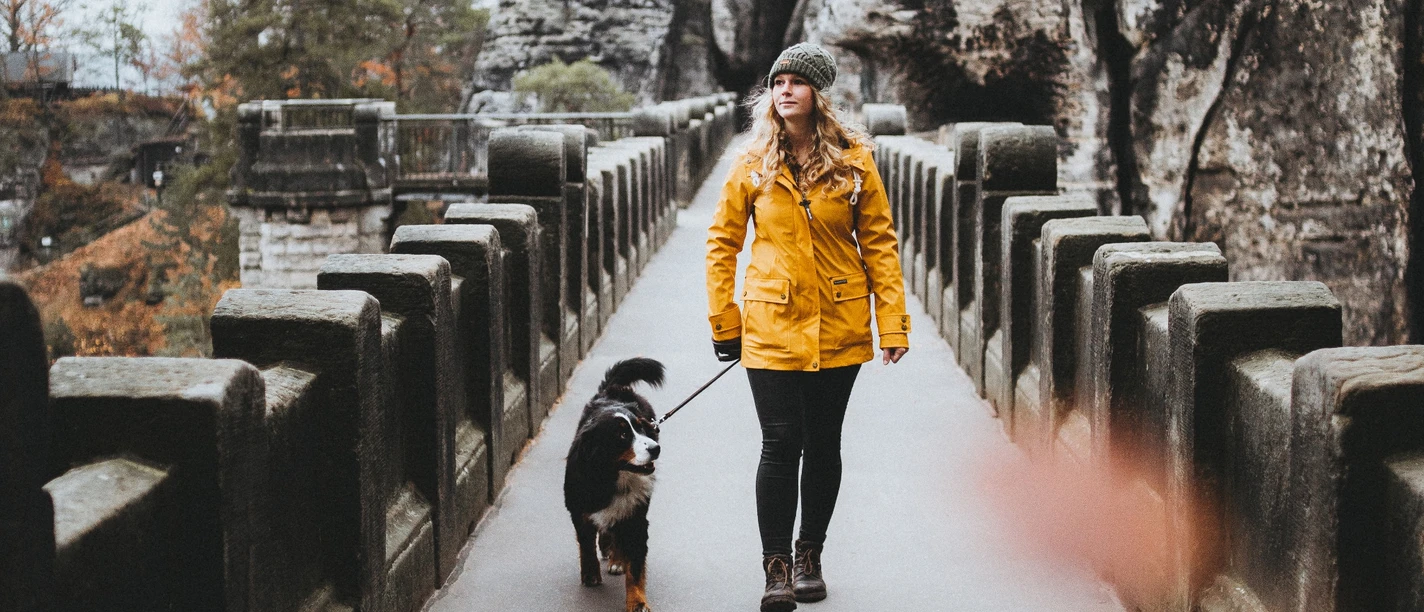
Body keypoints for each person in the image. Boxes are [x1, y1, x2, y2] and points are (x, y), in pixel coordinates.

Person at [704, 42, 910, 612]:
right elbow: (722, 244)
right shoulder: (750, 162)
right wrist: (725, 320)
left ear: (819, 93)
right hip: (770, 323)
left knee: (822, 445)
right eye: (777, 82)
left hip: (841, 322)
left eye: (797, 81)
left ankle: (809, 555)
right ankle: (775, 570)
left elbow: (880, 245)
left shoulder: (855, 161)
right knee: (780, 442)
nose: (784, 90)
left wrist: (892, 323)